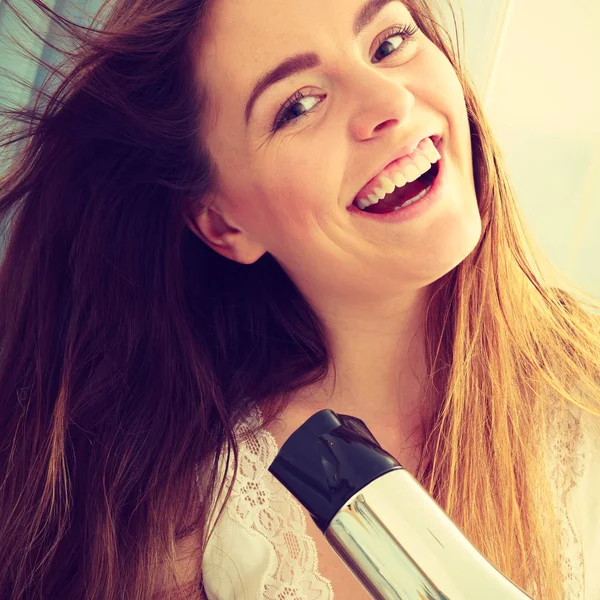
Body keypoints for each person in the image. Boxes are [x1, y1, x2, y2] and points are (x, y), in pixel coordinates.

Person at [0, 0, 598, 597]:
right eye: (299, 106)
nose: (390, 102)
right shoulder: (191, 521)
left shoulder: (586, 385)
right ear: (223, 224)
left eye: (389, 43)